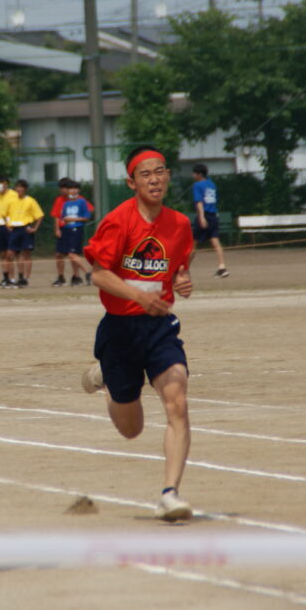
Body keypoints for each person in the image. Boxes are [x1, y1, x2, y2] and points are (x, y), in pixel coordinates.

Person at [81, 145, 196, 521]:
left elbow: (180, 264)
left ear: (168, 176)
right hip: (120, 330)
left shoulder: (179, 224)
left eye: (160, 171)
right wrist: (138, 296)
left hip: (159, 327)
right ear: (131, 182)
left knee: (177, 400)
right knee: (132, 429)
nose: (154, 179)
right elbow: (99, 274)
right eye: (145, 174)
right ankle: (107, 379)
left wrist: (182, 280)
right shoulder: (118, 221)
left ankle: (170, 494)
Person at [4, 179, 43, 288]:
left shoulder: (30, 201)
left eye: (21, 187)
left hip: (25, 228)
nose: (19, 189)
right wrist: (7, 224)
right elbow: (6, 214)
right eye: (17, 187)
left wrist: (35, 228)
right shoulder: (11, 201)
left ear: (25, 189)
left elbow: (39, 216)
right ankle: (12, 278)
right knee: (11, 253)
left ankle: (25, 278)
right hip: (15, 228)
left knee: (26, 253)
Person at [191, 164, 228, 278]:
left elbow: (199, 202)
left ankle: (184, 270)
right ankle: (222, 267)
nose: (192, 175)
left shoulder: (197, 185)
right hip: (214, 216)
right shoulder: (212, 184)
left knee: (192, 243)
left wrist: (201, 217)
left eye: (194, 173)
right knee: (215, 242)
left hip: (205, 215)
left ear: (199, 174)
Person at [56, 181, 93, 286]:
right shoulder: (66, 204)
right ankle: (76, 277)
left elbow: (86, 217)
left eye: (75, 188)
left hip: (76, 229)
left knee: (72, 254)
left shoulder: (81, 202)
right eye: (71, 189)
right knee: (71, 255)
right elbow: (62, 217)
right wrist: (60, 226)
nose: (73, 191)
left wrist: (72, 219)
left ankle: (88, 272)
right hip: (66, 230)